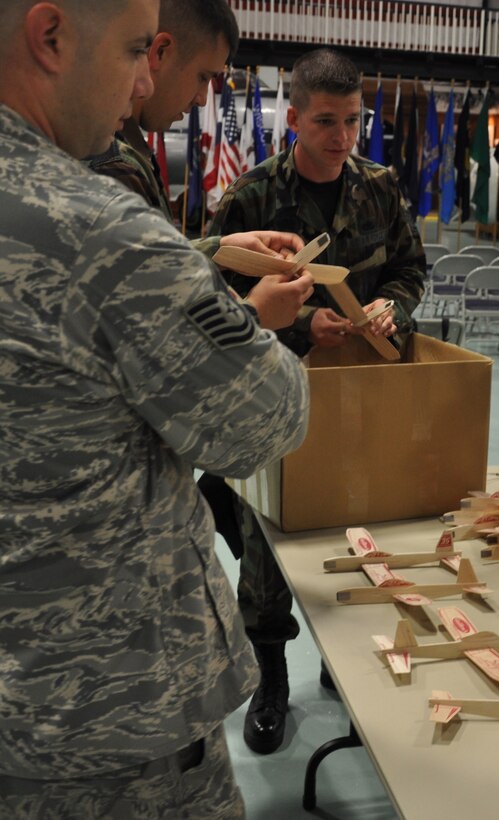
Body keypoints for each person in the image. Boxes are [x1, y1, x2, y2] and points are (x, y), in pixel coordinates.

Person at [0, 2, 310, 817]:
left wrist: (199, 262)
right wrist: (238, 314)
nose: (145, 80)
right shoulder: (97, 228)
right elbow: (266, 419)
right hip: (104, 716)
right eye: (137, 48)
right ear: (51, 35)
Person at [208, 47, 426, 754]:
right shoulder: (253, 196)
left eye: (352, 122)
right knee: (265, 541)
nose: (340, 138)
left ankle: (348, 668)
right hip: (270, 396)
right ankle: (271, 678)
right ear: (294, 117)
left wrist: (390, 308)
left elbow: (409, 268)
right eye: (325, 122)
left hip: (355, 396)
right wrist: (305, 324)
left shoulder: (380, 186)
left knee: (354, 534)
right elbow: (215, 301)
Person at [89, 0, 314, 333]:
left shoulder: (124, 151)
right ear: (160, 52)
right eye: (203, 77)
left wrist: (219, 249)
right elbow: (144, 328)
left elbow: (145, 264)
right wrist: (254, 315)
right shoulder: (112, 163)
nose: (203, 99)